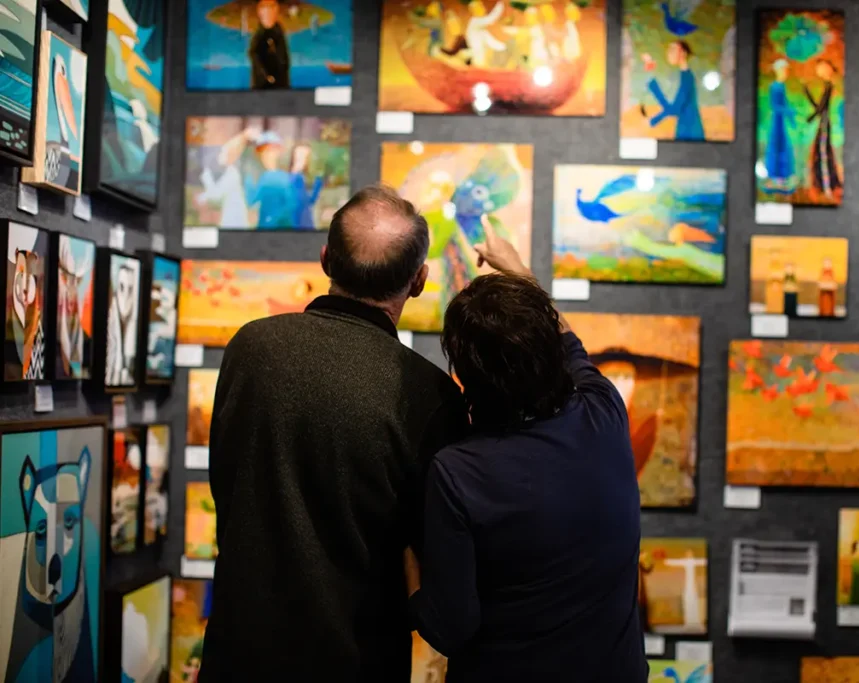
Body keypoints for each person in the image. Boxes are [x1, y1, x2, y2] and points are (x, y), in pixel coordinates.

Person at [198, 186, 469, 681]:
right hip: (355, 662)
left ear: (325, 259)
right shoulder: (429, 396)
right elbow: (434, 554)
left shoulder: (250, 348)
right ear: (420, 281)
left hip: (237, 654)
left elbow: (227, 482)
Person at [404, 218, 648, 683]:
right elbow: (564, 338)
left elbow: (450, 627)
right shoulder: (603, 413)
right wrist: (517, 273)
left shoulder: (459, 473)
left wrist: (401, 553)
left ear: (466, 376)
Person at [642, 41, 706, 141]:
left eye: (673, 50)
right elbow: (674, 108)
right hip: (686, 128)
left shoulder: (687, 78)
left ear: (683, 54)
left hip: (690, 131)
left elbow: (674, 109)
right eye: (669, 49)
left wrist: (654, 120)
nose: (669, 53)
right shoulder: (685, 76)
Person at [804, 59, 842, 200]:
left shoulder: (829, 85)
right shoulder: (826, 85)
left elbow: (820, 109)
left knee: (823, 154)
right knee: (820, 154)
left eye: (822, 68)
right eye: (819, 69)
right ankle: (823, 186)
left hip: (825, 124)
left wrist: (811, 117)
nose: (819, 71)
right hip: (823, 123)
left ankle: (827, 187)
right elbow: (819, 107)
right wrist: (807, 93)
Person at [764, 59, 795, 189]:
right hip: (777, 121)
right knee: (776, 147)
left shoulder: (782, 86)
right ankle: (774, 177)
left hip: (782, 122)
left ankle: (782, 178)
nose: (785, 73)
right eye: (783, 70)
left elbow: (785, 103)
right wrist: (788, 111)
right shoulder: (775, 86)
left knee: (784, 148)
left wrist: (791, 118)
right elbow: (775, 106)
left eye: (786, 70)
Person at [249, 0, 291, 89]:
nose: (269, 11)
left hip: (281, 87)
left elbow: (284, 59)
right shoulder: (258, 37)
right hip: (262, 88)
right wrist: (266, 76)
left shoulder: (279, 32)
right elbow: (254, 55)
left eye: (272, 7)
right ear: (259, 12)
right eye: (265, 7)